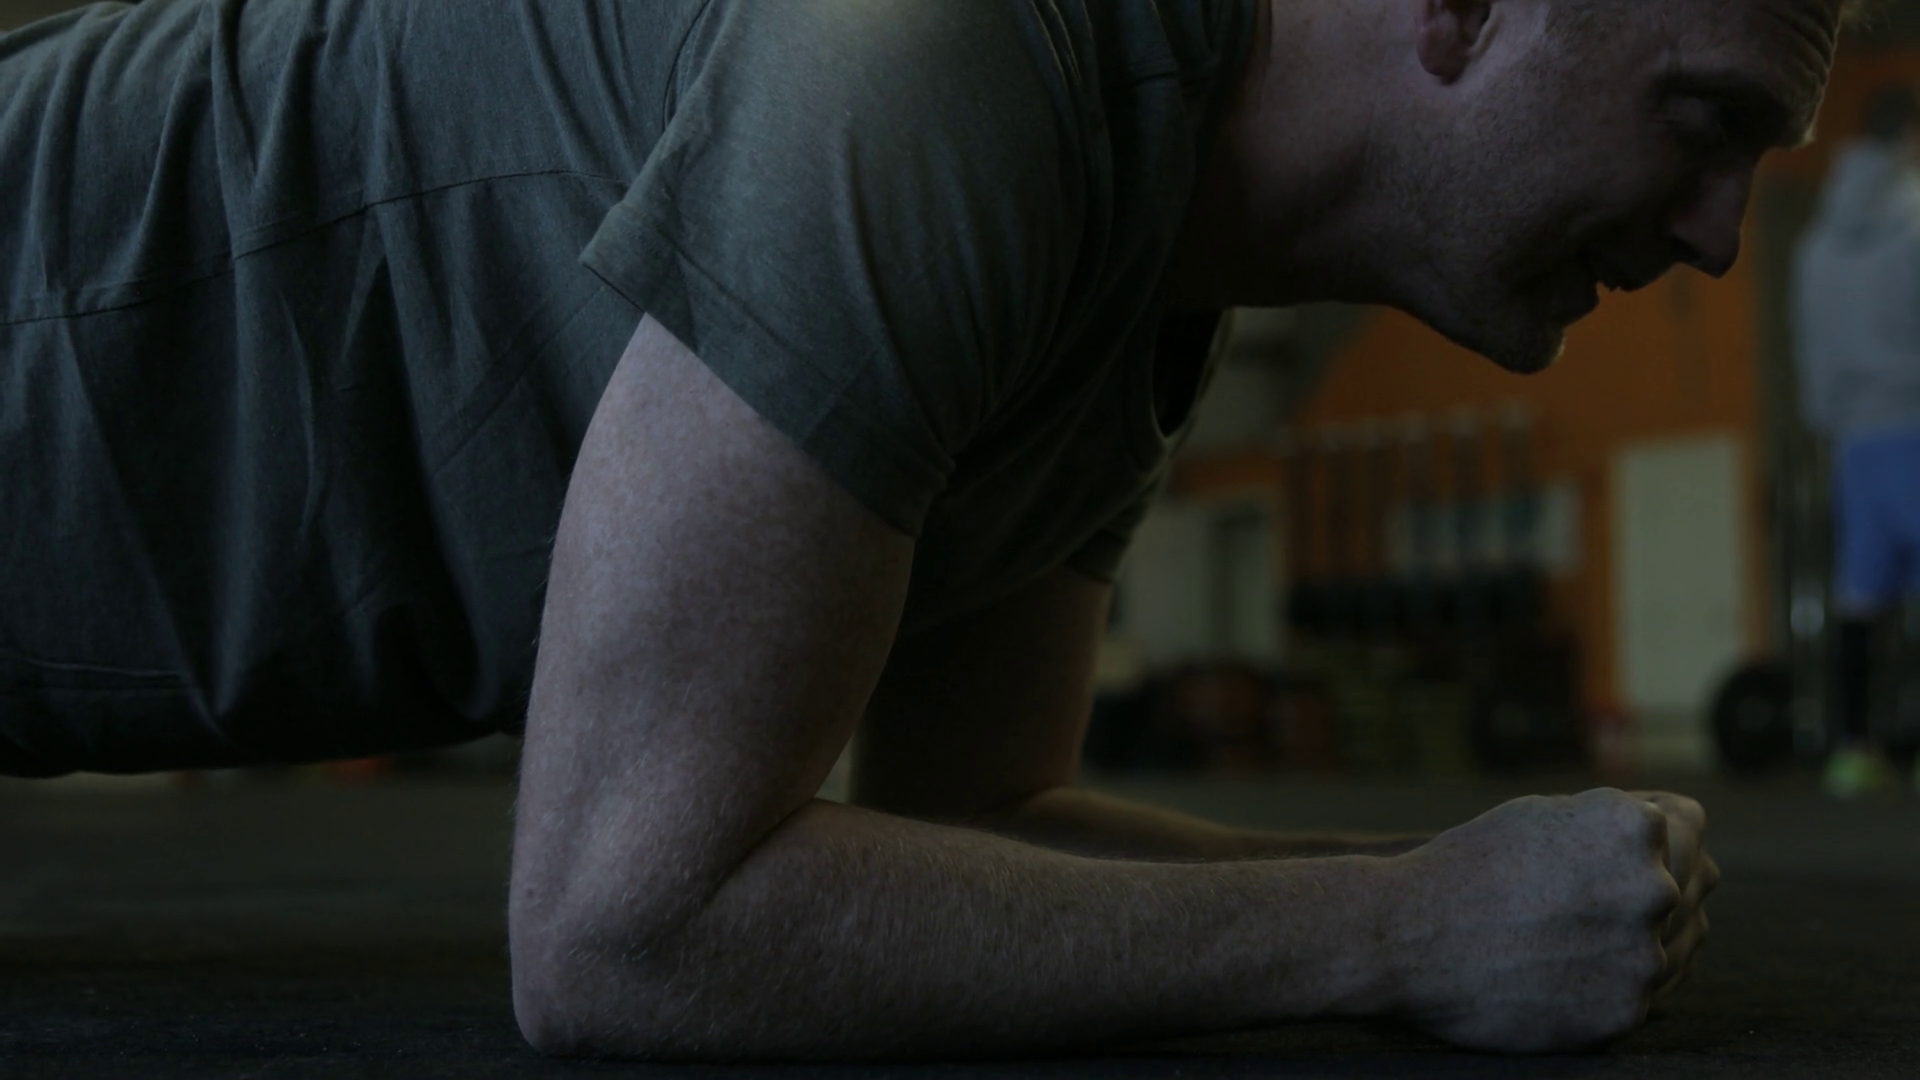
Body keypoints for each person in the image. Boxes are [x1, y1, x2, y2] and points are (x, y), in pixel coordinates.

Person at [0, 0, 1847, 1061]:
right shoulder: (948, 65)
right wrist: (1396, 930)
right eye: (1705, 121)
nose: (1719, 239)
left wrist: (1456, 887)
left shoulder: (1148, 253)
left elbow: (978, 822)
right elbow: (626, 932)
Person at [1792, 84, 1920, 800]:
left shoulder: (1817, 241)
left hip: (1852, 440)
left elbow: (1808, 345)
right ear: (1909, 137)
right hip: (1915, 420)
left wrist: (1827, 421)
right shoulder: (1915, 218)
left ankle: (1851, 751)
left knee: (1859, 594)